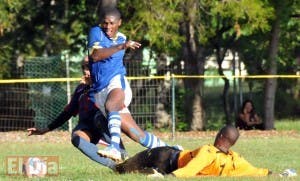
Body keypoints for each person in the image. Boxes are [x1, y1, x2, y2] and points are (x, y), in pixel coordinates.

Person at [88, 7, 169, 162]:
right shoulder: (96, 32)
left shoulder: (122, 39)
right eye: (105, 23)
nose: (108, 27)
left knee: (112, 105)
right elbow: (95, 56)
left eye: (112, 23)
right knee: (138, 135)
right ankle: (171, 150)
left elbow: (99, 57)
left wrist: (121, 45)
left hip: (117, 84)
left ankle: (114, 147)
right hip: (100, 92)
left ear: (119, 23)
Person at [27, 59, 125, 169]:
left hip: (103, 122)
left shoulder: (105, 83)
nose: (86, 71)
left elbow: (110, 103)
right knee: (76, 137)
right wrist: (46, 129)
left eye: (89, 67)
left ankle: (122, 154)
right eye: (84, 68)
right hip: (87, 127)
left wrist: (92, 85)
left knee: (99, 118)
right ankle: (116, 167)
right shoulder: (80, 89)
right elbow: (67, 112)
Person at [115, 125, 272, 177]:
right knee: (129, 168)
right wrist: (272, 173)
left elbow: (192, 167)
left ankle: (122, 164)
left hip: (165, 157)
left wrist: (171, 176)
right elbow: (256, 171)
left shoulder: (208, 151)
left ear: (221, 135)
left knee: (122, 169)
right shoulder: (235, 160)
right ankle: (142, 169)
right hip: (169, 158)